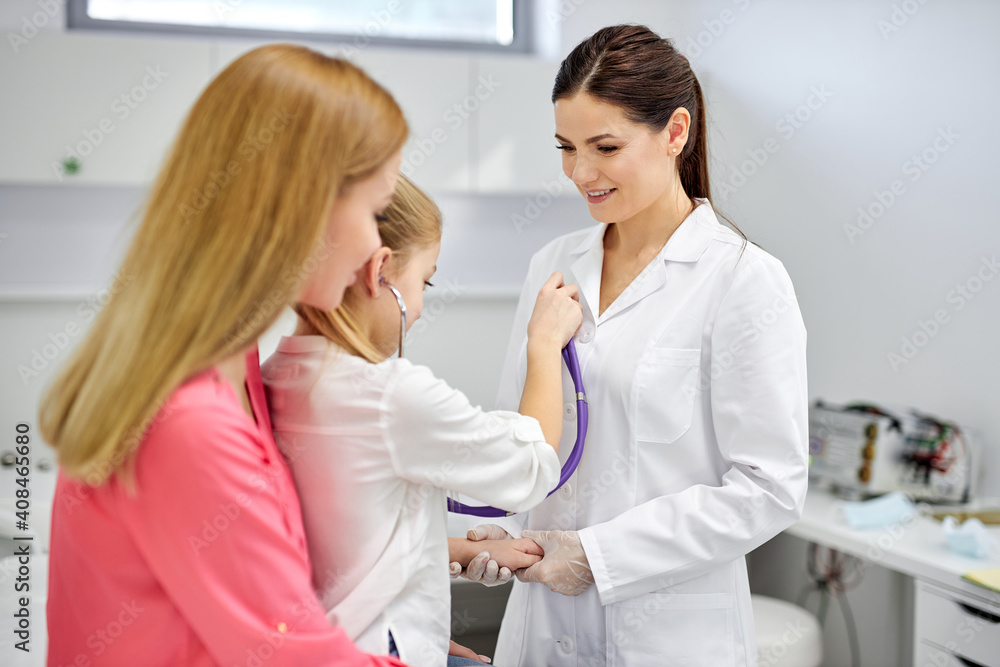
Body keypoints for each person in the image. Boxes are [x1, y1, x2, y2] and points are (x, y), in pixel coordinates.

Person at [40, 44, 411, 666]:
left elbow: (256, 585)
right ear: (305, 207)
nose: (377, 243)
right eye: (375, 212)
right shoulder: (192, 425)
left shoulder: (230, 371)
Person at [462, 25, 810, 666]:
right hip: (541, 626)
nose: (580, 172)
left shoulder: (742, 280)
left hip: (667, 636)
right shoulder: (555, 264)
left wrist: (598, 557)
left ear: (675, 133)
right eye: (566, 147)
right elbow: (525, 438)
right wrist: (502, 535)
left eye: (605, 146)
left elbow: (769, 488)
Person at [260, 175, 583, 667]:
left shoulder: (274, 376)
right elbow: (531, 466)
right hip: (378, 648)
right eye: (425, 282)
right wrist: (543, 346)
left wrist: (452, 554)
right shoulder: (390, 395)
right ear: (380, 270)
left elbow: (343, 531)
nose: (421, 308)